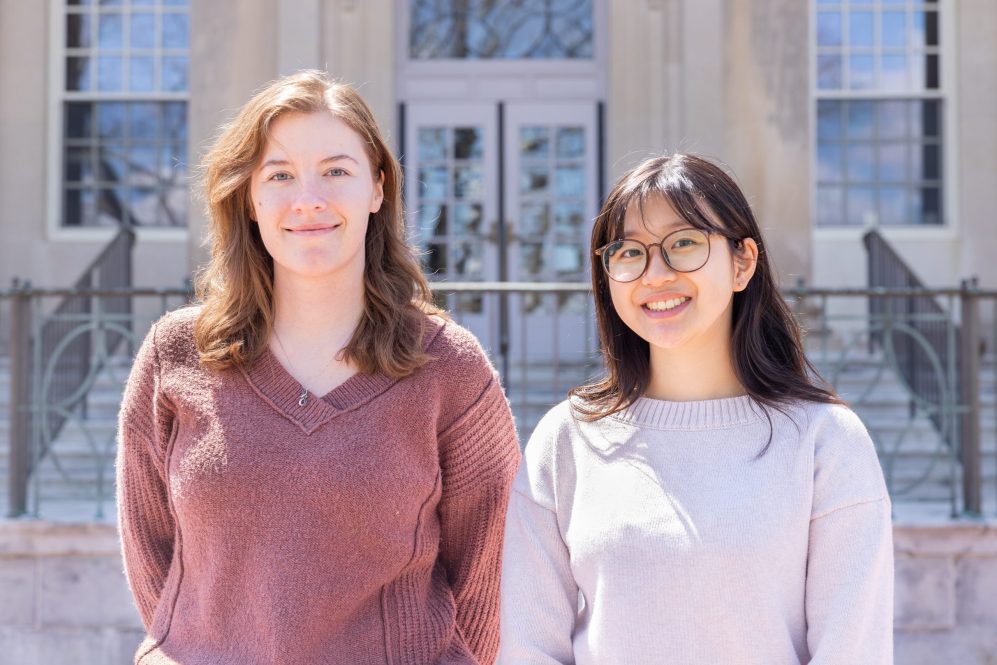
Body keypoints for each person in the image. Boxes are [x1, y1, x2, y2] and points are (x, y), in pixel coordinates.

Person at [116, 70, 520, 665]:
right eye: (279, 175)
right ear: (249, 197)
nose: (309, 198)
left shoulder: (449, 370)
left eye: (336, 171)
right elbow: (150, 550)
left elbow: (490, 573)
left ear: (378, 188)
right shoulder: (175, 354)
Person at [499, 154, 894, 664]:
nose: (654, 274)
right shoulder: (566, 440)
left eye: (683, 243)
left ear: (743, 262)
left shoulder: (827, 443)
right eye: (628, 252)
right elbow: (531, 649)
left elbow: (853, 652)